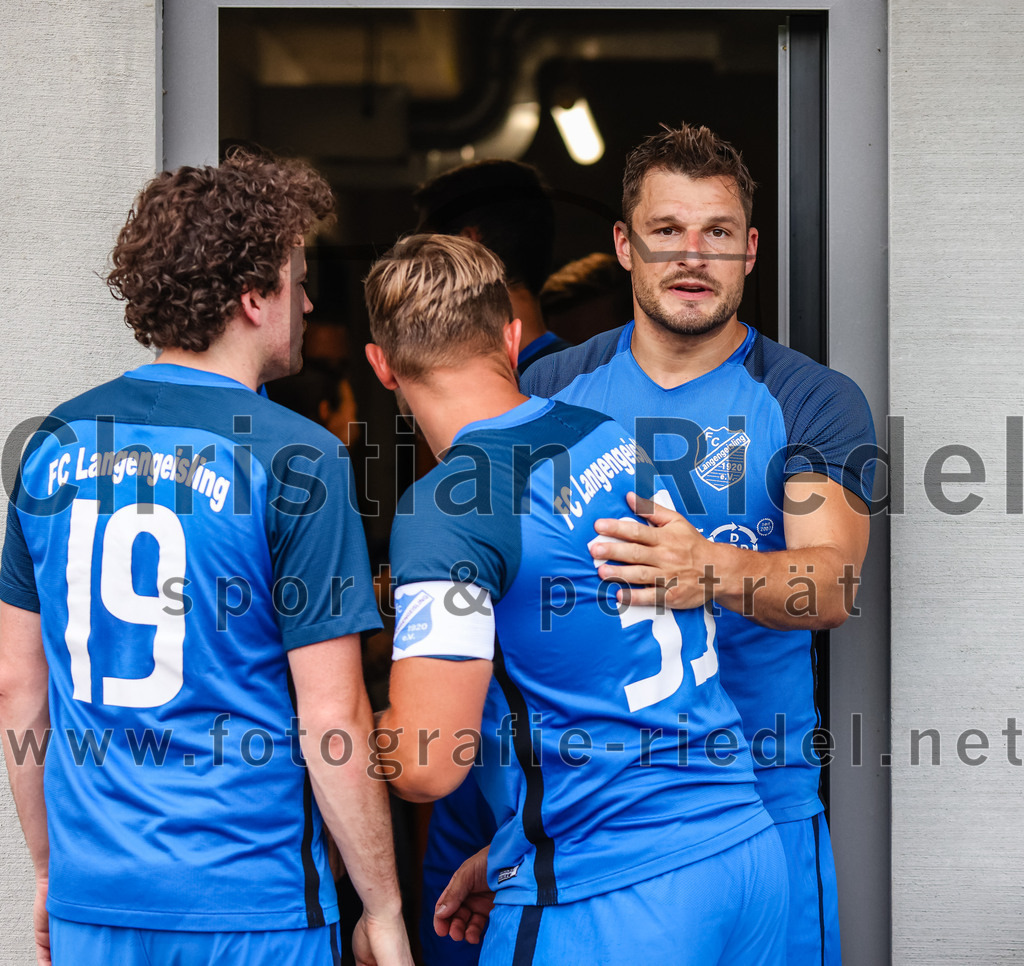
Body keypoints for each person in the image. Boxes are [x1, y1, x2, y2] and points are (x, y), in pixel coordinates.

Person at [0, 151, 413, 966]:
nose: (308, 300)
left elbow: (18, 685)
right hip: (252, 901)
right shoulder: (298, 459)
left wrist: (50, 870)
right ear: (251, 298)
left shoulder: (52, 445)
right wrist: (384, 907)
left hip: (98, 900)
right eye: (296, 278)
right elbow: (332, 719)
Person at [363, 233, 789, 965]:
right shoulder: (607, 436)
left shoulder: (453, 505)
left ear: (381, 366)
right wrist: (517, 843)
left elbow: (430, 763)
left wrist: (329, 724)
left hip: (613, 893)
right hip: (740, 854)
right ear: (512, 335)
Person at [515, 122, 876, 964]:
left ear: (750, 250)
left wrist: (706, 567)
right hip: (591, 815)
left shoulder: (809, 396)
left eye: (716, 233)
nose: (692, 256)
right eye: (666, 231)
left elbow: (830, 585)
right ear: (623, 245)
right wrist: (505, 833)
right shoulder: (549, 391)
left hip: (762, 800)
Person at [413, 159, 571, 372]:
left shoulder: (465, 392)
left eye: (425, 249)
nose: (413, 270)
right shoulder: (582, 379)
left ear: (467, 247)